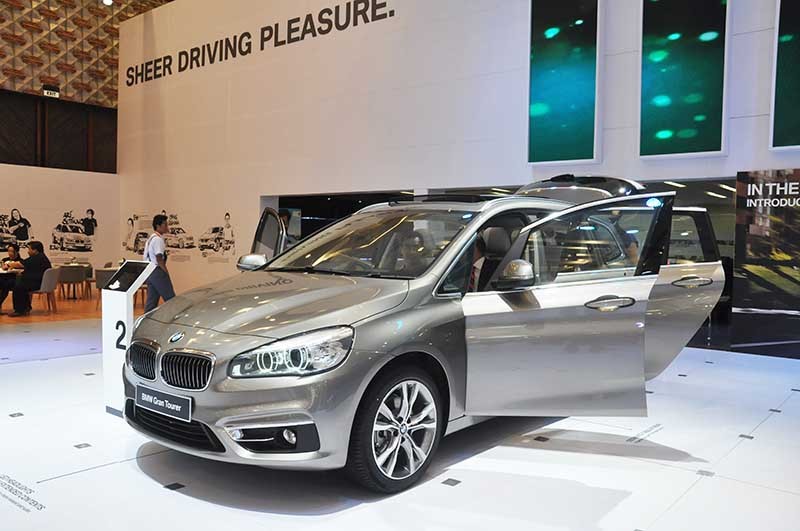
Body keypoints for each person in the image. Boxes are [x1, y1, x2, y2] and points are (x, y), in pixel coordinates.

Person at [4, 241, 51, 317]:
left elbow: (20, 264)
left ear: (35, 250)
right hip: (41, 282)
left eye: (29, 249)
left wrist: (8, 264)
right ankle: (26, 307)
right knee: (15, 283)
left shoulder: (36, 258)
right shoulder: (42, 257)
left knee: (17, 286)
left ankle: (19, 310)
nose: (28, 251)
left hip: (37, 283)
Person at [143, 214, 176, 312]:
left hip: (149, 271)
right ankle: (174, 317)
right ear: (158, 226)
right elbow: (159, 258)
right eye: (165, 225)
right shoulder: (158, 240)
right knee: (171, 299)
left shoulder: (151, 238)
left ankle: (147, 319)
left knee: (151, 302)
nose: (167, 227)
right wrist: (165, 272)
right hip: (157, 271)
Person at [0, 243, 21, 312]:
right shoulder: (5, 260)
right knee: (3, 285)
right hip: (3, 278)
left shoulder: (20, 261)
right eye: (8, 251)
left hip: (13, 280)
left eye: (12, 251)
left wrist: (10, 266)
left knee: (5, 286)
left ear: (16, 251)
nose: (10, 253)